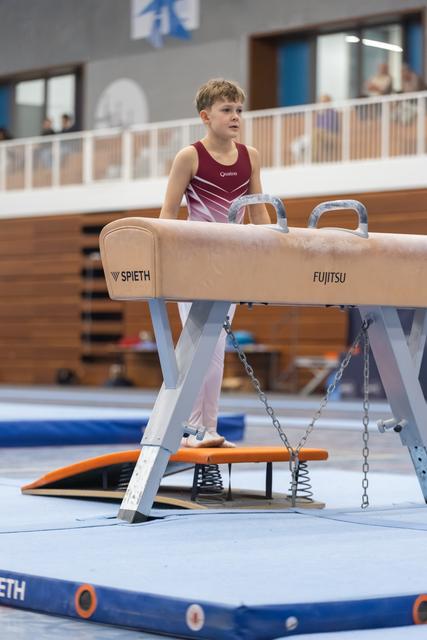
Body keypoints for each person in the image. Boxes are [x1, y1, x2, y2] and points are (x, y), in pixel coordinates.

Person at [160, 78, 270, 447]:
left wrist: (277, 253)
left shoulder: (250, 156)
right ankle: (191, 428)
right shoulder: (189, 157)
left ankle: (205, 428)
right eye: (227, 110)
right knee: (197, 348)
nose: (235, 116)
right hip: (193, 262)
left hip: (230, 264)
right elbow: (167, 214)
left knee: (215, 348)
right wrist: (167, 263)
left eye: (239, 110)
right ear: (206, 116)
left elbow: (258, 215)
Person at [312, 94, 340, 162]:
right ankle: (315, 157)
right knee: (315, 133)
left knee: (316, 132)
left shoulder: (333, 113)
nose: (323, 103)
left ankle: (314, 158)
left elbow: (332, 127)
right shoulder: (320, 114)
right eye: (321, 102)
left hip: (332, 135)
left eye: (324, 101)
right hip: (321, 135)